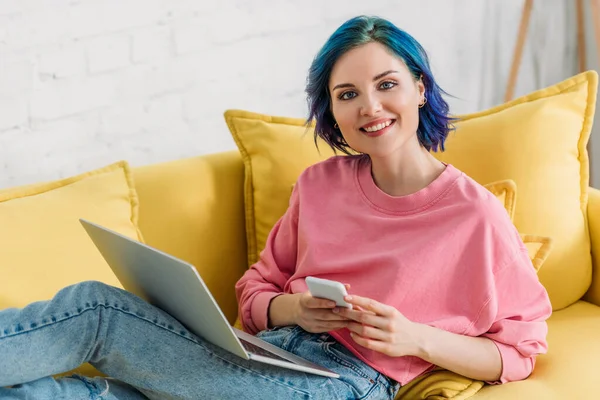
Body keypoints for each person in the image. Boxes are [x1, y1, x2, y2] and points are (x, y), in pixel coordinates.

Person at [0, 15, 552, 400]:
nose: (371, 107)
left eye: (387, 85)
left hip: (342, 386)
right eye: (347, 94)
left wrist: (416, 339)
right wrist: (293, 310)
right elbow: (255, 290)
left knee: (99, 310)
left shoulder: (473, 214)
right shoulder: (318, 186)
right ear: (332, 111)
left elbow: (520, 351)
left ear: (420, 89)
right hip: (265, 357)